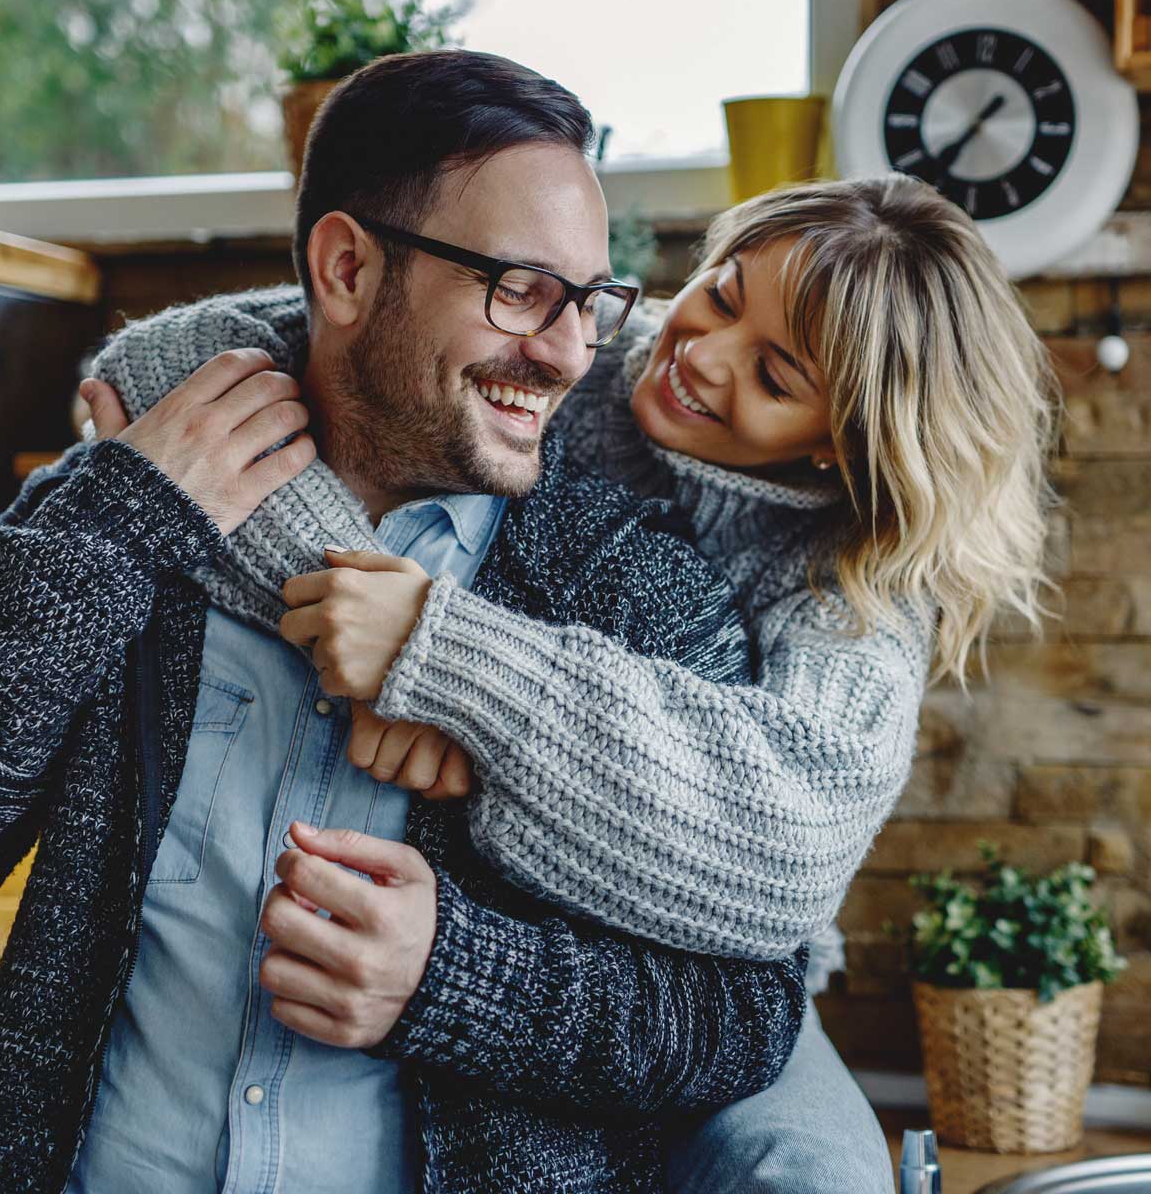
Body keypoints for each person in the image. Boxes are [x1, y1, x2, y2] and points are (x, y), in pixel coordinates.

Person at [0, 50, 809, 1194]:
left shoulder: (631, 594)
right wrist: (114, 523)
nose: (567, 352)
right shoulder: (132, 499)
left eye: (589, 301)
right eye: (519, 289)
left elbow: (745, 1011)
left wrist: (457, 978)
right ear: (348, 267)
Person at [226, 174, 1061, 1193]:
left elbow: (784, 853)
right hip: (453, 863)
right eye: (720, 290)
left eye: (776, 373)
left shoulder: (857, 579)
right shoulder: (588, 346)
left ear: (839, 439)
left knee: (818, 1171)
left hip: (702, 945)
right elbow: (190, 358)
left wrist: (452, 671)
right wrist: (359, 625)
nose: (697, 355)